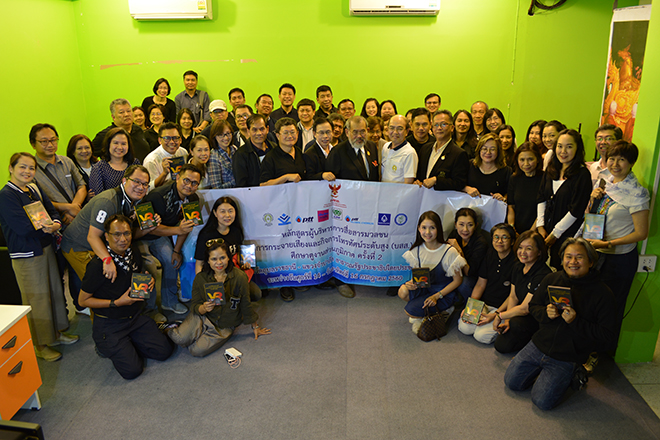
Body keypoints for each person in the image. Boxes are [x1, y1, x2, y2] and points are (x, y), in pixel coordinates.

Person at [504, 238, 617, 411]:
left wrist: (575, 322)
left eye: (579, 257)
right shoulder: (552, 278)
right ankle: (546, 373)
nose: (573, 262)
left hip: (568, 355)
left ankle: (573, 372)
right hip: (539, 344)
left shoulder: (603, 294)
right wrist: (546, 313)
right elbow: (533, 306)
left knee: (541, 401)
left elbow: (607, 334)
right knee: (511, 382)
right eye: (568, 256)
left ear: (591, 261)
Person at [0, 152, 76, 362]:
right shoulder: (6, 195)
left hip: (46, 247)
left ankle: (56, 334)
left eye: (31, 168)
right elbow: (22, 227)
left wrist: (56, 224)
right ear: (11, 168)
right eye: (22, 167)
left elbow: (51, 210)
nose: (27, 171)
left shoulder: (33, 188)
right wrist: (48, 228)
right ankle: (40, 345)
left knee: (54, 291)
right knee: (37, 298)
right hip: (27, 254)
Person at [78, 214, 173, 379]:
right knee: (132, 371)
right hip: (110, 323)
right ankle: (105, 346)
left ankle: (128, 343)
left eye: (127, 233)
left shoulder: (133, 251)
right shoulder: (97, 265)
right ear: (106, 236)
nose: (123, 239)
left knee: (164, 351)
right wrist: (116, 302)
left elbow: (137, 274)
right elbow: (83, 301)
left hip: (134, 317)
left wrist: (147, 279)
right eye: (117, 234)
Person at [586, 140, 649, 340]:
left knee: (610, 307)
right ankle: (588, 345)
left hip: (619, 259)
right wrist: (592, 198)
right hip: (596, 252)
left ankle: (602, 350)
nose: (615, 164)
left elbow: (641, 233)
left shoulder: (637, 193)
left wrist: (608, 244)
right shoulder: (604, 182)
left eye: (621, 159)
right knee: (591, 303)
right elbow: (591, 215)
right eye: (612, 158)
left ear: (631, 163)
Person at [168, 242, 271, 357]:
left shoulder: (239, 277)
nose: (219, 263)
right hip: (203, 316)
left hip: (225, 325)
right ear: (208, 261)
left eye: (222, 257)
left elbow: (246, 304)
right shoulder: (200, 278)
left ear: (228, 258)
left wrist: (255, 326)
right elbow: (195, 305)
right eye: (214, 259)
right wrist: (203, 308)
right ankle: (175, 327)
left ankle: (197, 332)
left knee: (196, 351)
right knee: (178, 338)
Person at [140, 164, 201, 315]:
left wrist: (176, 251)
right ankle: (149, 310)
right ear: (177, 177)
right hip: (140, 235)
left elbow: (187, 227)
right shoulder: (158, 195)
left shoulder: (193, 199)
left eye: (194, 183)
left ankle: (169, 302)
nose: (189, 186)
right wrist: (178, 230)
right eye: (186, 180)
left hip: (161, 236)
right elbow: (149, 227)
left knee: (172, 261)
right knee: (149, 266)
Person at [398, 211, 466, 334]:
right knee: (402, 291)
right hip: (425, 288)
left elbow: (458, 281)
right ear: (419, 228)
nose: (427, 232)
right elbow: (419, 277)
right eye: (424, 227)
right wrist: (411, 283)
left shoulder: (449, 251)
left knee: (410, 312)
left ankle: (446, 309)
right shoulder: (416, 250)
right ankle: (428, 313)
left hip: (443, 293)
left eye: (432, 228)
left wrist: (437, 296)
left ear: (438, 229)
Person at [536, 129, 591, 269]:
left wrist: (555, 234)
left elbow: (576, 210)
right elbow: (541, 198)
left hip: (567, 235)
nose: (563, 151)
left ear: (577, 149)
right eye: (560, 146)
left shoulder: (582, 175)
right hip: (545, 232)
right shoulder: (551, 169)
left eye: (569, 146)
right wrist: (540, 226)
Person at [493, 231, 551, 353]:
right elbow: (513, 296)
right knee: (501, 346)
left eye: (528, 248)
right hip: (521, 316)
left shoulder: (543, 274)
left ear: (539, 252)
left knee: (516, 323)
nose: (523, 252)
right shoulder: (518, 266)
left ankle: (535, 343)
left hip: (537, 319)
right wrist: (507, 321)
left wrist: (500, 316)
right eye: (520, 247)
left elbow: (525, 309)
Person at [458, 223, 517, 344]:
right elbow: (480, 284)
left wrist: (495, 314)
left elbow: (513, 296)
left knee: (481, 336)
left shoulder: (517, 262)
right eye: (496, 237)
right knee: (465, 328)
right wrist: (471, 306)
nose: (499, 241)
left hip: (503, 308)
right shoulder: (489, 254)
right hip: (484, 303)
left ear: (512, 241)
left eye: (504, 237)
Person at [194, 196, 262, 301]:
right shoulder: (206, 235)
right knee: (217, 301)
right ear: (215, 213)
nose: (227, 215)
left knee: (255, 294)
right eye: (222, 211)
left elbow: (238, 255)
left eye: (230, 211)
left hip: (232, 274)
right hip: (213, 275)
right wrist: (201, 284)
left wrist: (244, 263)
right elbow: (199, 263)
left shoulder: (236, 231)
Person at [30, 123, 88, 226]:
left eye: (53, 140)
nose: (50, 145)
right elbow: (37, 202)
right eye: (44, 141)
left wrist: (74, 207)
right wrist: (67, 208)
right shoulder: (31, 170)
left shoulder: (67, 161)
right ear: (33, 144)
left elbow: (81, 186)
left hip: (78, 216)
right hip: (55, 223)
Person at [415, 109, 469, 191]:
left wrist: (437, 180)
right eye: (436, 125)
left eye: (443, 124)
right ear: (432, 128)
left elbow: (459, 183)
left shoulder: (459, 153)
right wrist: (417, 181)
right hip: (423, 196)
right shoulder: (425, 149)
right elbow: (420, 175)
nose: (439, 128)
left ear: (452, 128)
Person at [447, 208, 490, 301]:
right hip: (457, 273)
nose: (465, 229)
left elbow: (468, 272)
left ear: (476, 225)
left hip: (475, 280)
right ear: (455, 224)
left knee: (463, 283)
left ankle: (469, 305)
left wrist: (458, 250)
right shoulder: (454, 235)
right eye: (461, 225)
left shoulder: (480, 243)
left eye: (470, 225)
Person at [327, 115, 379, 183]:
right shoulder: (337, 152)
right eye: (355, 132)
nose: (359, 136)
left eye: (362, 131)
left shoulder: (372, 146)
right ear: (347, 132)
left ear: (367, 130)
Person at [89, 128, 140, 196]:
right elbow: (98, 197)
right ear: (108, 144)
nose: (120, 147)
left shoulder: (134, 163)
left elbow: (141, 187)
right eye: (116, 143)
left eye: (123, 144)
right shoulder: (98, 168)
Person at [507, 143, 544, 233]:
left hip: (537, 229)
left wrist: (530, 233)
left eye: (530, 159)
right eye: (522, 160)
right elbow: (511, 206)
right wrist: (512, 227)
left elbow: (544, 210)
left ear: (538, 160)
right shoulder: (514, 178)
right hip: (516, 229)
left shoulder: (545, 178)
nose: (526, 164)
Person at [464, 133, 511, 202]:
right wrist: (467, 189)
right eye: (484, 149)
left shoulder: (506, 171)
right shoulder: (469, 165)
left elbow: (510, 194)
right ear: (479, 150)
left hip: (494, 208)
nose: (488, 152)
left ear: (498, 151)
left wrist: (503, 198)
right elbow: (458, 184)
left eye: (492, 149)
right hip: (469, 207)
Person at [260, 117, 306, 188]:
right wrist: (285, 178)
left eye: (292, 132)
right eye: (285, 133)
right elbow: (263, 185)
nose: (290, 136)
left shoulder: (299, 152)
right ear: (278, 136)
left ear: (297, 133)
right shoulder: (270, 158)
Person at [142, 122, 189, 190]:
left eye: (175, 138)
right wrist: (164, 173)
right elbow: (148, 189)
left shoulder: (183, 153)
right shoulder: (151, 160)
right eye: (167, 138)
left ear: (180, 140)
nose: (172, 142)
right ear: (160, 140)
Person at [233, 114, 273, 188]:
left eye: (262, 129)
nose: (259, 133)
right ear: (248, 131)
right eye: (254, 130)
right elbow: (241, 184)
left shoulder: (274, 148)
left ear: (267, 129)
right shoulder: (240, 155)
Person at [381, 115, 418, 184]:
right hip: (383, 189)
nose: (395, 132)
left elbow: (408, 184)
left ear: (407, 131)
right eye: (392, 128)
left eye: (400, 129)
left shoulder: (410, 153)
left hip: (398, 191)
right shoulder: (385, 147)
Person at [304, 117, 336, 182]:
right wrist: (321, 175)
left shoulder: (337, 151)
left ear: (333, 132)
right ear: (314, 134)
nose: (325, 136)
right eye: (321, 133)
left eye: (328, 132)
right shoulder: (309, 154)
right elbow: (307, 178)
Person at [208, 120, 237, 188]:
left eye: (228, 133)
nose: (226, 138)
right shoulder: (213, 156)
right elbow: (217, 187)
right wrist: (237, 182)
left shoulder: (234, 149)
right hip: (226, 193)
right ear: (215, 136)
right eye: (221, 135)